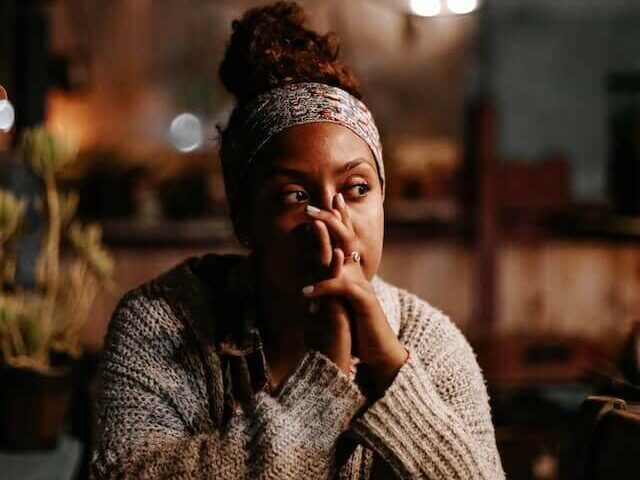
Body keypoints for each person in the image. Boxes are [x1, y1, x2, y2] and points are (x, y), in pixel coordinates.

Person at [89, 2, 504, 479]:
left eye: (358, 189)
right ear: (244, 219)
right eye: (296, 195)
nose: (332, 220)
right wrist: (324, 383)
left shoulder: (427, 342)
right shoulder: (163, 325)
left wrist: (389, 365)